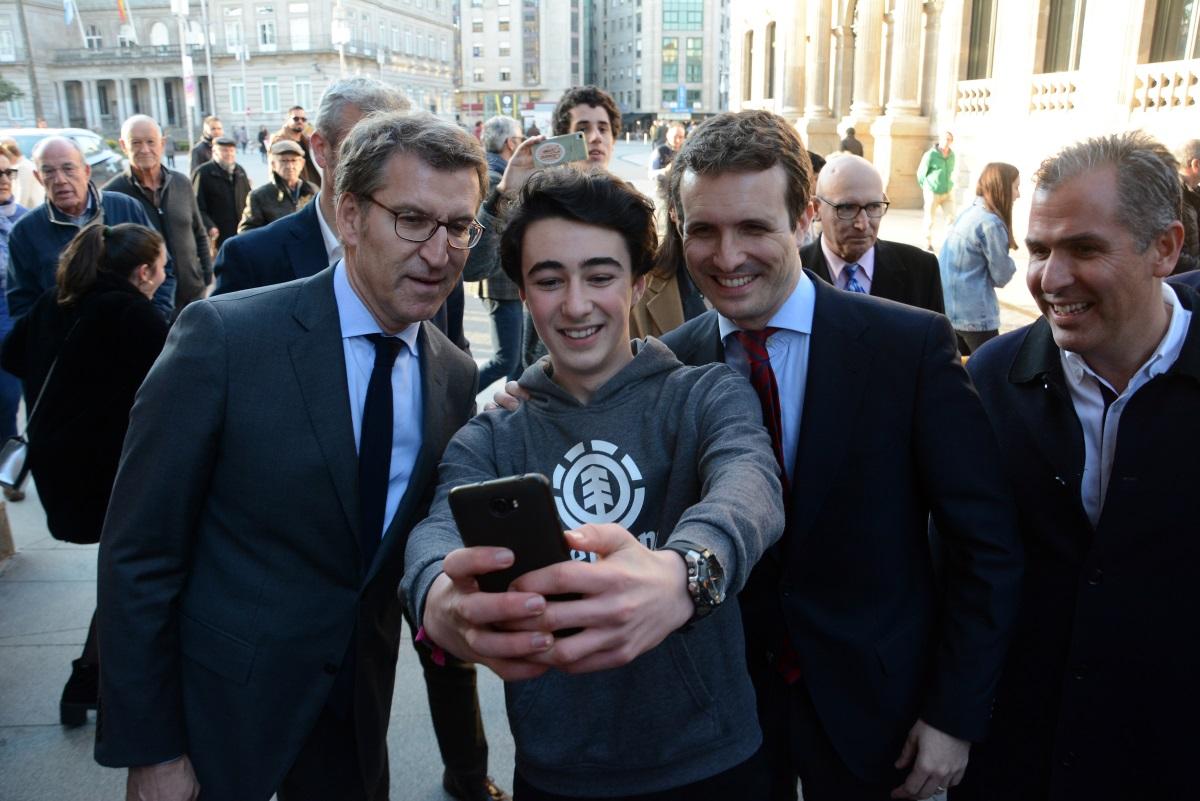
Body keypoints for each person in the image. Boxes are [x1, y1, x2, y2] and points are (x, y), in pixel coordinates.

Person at [94, 111, 488, 801]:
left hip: (355, 731)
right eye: (414, 220)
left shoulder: (454, 376)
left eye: (460, 227)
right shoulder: (223, 338)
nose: (441, 251)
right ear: (351, 214)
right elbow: (139, 554)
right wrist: (152, 747)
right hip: (220, 731)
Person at [658, 111, 1021, 801]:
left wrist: (954, 713)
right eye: (703, 229)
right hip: (724, 721)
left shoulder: (908, 347)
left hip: (879, 714)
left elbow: (987, 548)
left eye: (753, 228)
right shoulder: (669, 365)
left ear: (802, 220)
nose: (726, 256)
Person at [404, 167, 785, 800]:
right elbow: (436, 530)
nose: (577, 304)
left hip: (713, 758)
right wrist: (439, 598)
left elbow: (750, 486)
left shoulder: (705, 393)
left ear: (638, 283)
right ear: (523, 295)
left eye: (600, 276)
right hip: (561, 771)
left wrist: (685, 572)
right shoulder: (494, 434)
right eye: (550, 280)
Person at [960, 131, 1199, 801]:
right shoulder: (989, 380)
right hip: (1022, 756)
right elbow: (964, 570)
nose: (1051, 279)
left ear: (1166, 248)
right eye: (1038, 250)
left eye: (1085, 249)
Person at [1, 222, 168, 727]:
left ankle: (92, 678)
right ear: (143, 271)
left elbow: (11, 353)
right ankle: (91, 676)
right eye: (161, 267)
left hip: (61, 468)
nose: (165, 276)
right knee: (136, 572)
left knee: (127, 570)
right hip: (109, 471)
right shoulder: (133, 315)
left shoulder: (58, 301)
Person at [6, 136, 173, 320]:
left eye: (68, 169)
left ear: (86, 171)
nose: (60, 180)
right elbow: (22, 304)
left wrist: (155, 318)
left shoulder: (125, 208)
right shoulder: (25, 231)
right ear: (38, 178)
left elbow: (163, 266)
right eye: (49, 172)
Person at [803, 154, 944, 313]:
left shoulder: (922, 270)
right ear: (816, 209)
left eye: (874, 207)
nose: (862, 224)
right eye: (847, 208)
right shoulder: (792, 272)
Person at [104, 114, 213, 311]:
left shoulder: (182, 183)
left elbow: (199, 232)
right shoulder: (113, 195)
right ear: (123, 145)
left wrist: (205, 275)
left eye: (150, 142)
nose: (144, 149)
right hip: (148, 304)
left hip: (193, 296)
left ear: (162, 144)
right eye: (135, 143)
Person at [465, 115, 524, 390]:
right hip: (500, 284)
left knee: (519, 362)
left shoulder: (489, 169)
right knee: (507, 359)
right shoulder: (495, 177)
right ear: (511, 143)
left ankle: (518, 414)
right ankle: (458, 397)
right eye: (521, 140)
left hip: (504, 282)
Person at [938, 162, 1019, 355]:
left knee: (961, 374)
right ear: (1004, 188)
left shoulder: (969, 214)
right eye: (1016, 187)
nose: (1018, 194)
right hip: (976, 317)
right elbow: (1002, 276)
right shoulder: (990, 223)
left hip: (951, 311)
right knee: (990, 373)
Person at [0, 148, 28, 502]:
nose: (4, 181)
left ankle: (9, 469)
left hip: (15, 318)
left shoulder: (24, 220)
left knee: (9, 399)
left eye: (8, 173)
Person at [237, 139, 317, 233]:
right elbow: (246, 231)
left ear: (302, 163)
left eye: (294, 160)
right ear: (273, 164)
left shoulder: (313, 190)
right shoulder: (259, 196)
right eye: (284, 161)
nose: (290, 166)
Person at [192, 134, 252, 252]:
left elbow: (249, 201)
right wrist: (209, 226)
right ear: (214, 151)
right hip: (217, 235)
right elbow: (196, 206)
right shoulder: (203, 173)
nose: (229, 154)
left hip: (240, 232)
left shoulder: (240, 171)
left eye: (231, 150)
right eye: (224, 150)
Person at [917, 130, 956, 251]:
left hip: (947, 191)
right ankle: (927, 242)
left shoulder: (952, 155)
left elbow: (951, 171)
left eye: (949, 139)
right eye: (945, 139)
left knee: (951, 218)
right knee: (930, 219)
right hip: (932, 191)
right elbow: (921, 173)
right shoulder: (931, 154)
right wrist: (926, 187)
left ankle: (949, 244)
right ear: (940, 139)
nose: (947, 142)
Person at [273, 104, 322, 187]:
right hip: (293, 189)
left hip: (311, 185)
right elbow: (275, 168)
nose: (300, 121)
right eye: (296, 118)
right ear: (287, 120)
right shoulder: (279, 140)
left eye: (303, 119)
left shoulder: (305, 138)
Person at [2, 137, 45, 209]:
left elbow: (23, 195)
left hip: (31, 210)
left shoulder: (23, 167)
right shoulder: (20, 166)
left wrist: (16, 214)